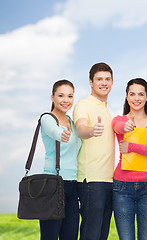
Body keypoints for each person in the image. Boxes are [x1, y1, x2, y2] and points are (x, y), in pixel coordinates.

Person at [112, 78, 147, 240]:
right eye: (132, 94)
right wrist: (126, 127)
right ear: (127, 97)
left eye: (140, 94)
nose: (136, 98)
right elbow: (118, 127)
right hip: (122, 187)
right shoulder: (120, 120)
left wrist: (132, 147)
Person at [73, 63, 115, 240]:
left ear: (112, 82)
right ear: (91, 82)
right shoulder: (83, 105)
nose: (103, 83)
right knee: (91, 235)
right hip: (91, 180)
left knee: (102, 235)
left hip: (109, 180)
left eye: (107, 79)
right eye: (99, 79)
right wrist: (91, 131)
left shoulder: (108, 110)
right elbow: (81, 128)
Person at [40, 79, 81, 240]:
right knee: (50, 236)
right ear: (52, 97)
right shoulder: (47, 119)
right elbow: (54, 132)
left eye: (70, 96)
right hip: (53, 185)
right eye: (61, 96)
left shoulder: (71, 122)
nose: (66, 100)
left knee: (70, 236)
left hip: (73, 185)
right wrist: (62, 135)